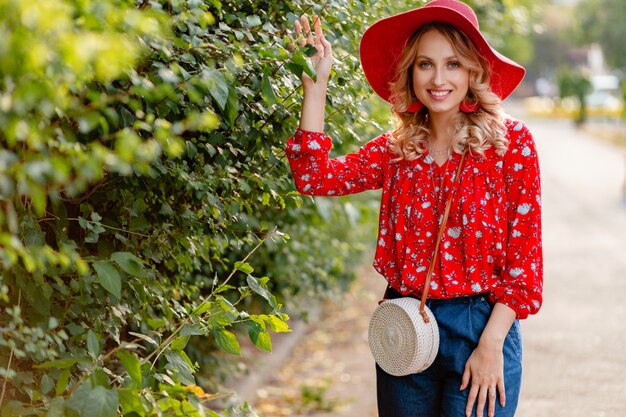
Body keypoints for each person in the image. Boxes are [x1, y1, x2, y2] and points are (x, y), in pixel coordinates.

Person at [286, 1, 543, 416]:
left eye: (453, 64)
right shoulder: (398, 150)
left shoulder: (510, 145)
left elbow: (524, 261)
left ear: (473, 71)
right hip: (405, 325)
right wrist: (316, 88)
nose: (438, 79)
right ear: (411, 71)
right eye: (426, 64)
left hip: (480, 327)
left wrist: (492, 344)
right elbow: (314, 177)